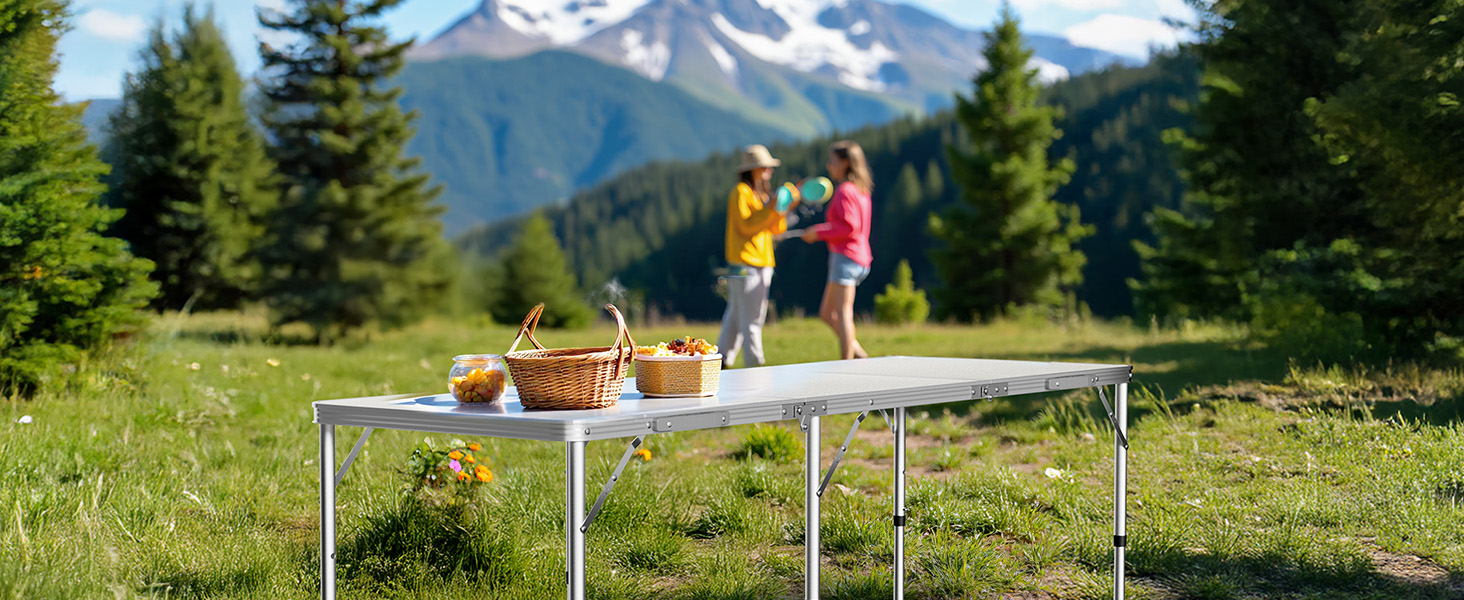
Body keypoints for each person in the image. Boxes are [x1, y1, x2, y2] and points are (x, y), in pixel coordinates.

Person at [719, 145, 796, 368]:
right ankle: (755, 365)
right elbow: (746, 226)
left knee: (736, 315)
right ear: (753, 170)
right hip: (746, 263)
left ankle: (721, 360)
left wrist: (781, 208)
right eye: (765, 167)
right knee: (753, 319)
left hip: (758, 262)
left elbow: (776, 228)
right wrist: (770, 208)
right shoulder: (740, 193)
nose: (769, 171)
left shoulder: (760, 194)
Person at [802, 140, 872, 360]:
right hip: (858, 258)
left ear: (845, 163)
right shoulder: (861, 190)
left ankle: (847, 364)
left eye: (832, 161)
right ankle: (860, 355)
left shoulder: (845, 191)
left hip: (846, 258)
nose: (829, 165)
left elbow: (849, 227)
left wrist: (817, 233)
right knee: (826, 314)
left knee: (843, 314)